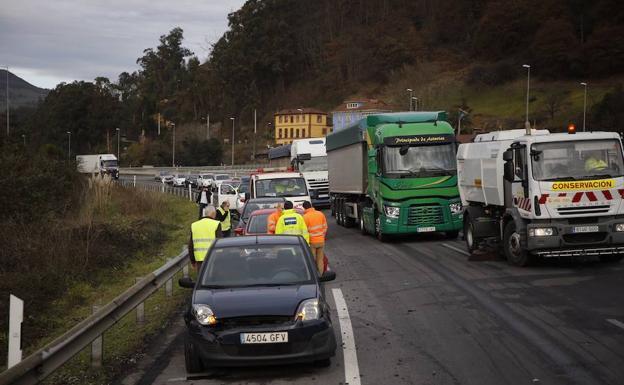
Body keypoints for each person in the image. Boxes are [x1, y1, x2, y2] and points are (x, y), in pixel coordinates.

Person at [302, 201, 328, 274]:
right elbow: (325, 227)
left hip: (312, 242)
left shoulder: (305, 217)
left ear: (304, 208)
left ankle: (314, 276)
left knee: (312, 260)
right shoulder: (320, 214)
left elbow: (304, 231)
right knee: (320, 260)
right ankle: (321, 275)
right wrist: (322, 236)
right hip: (321, 241)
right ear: (311, 206)